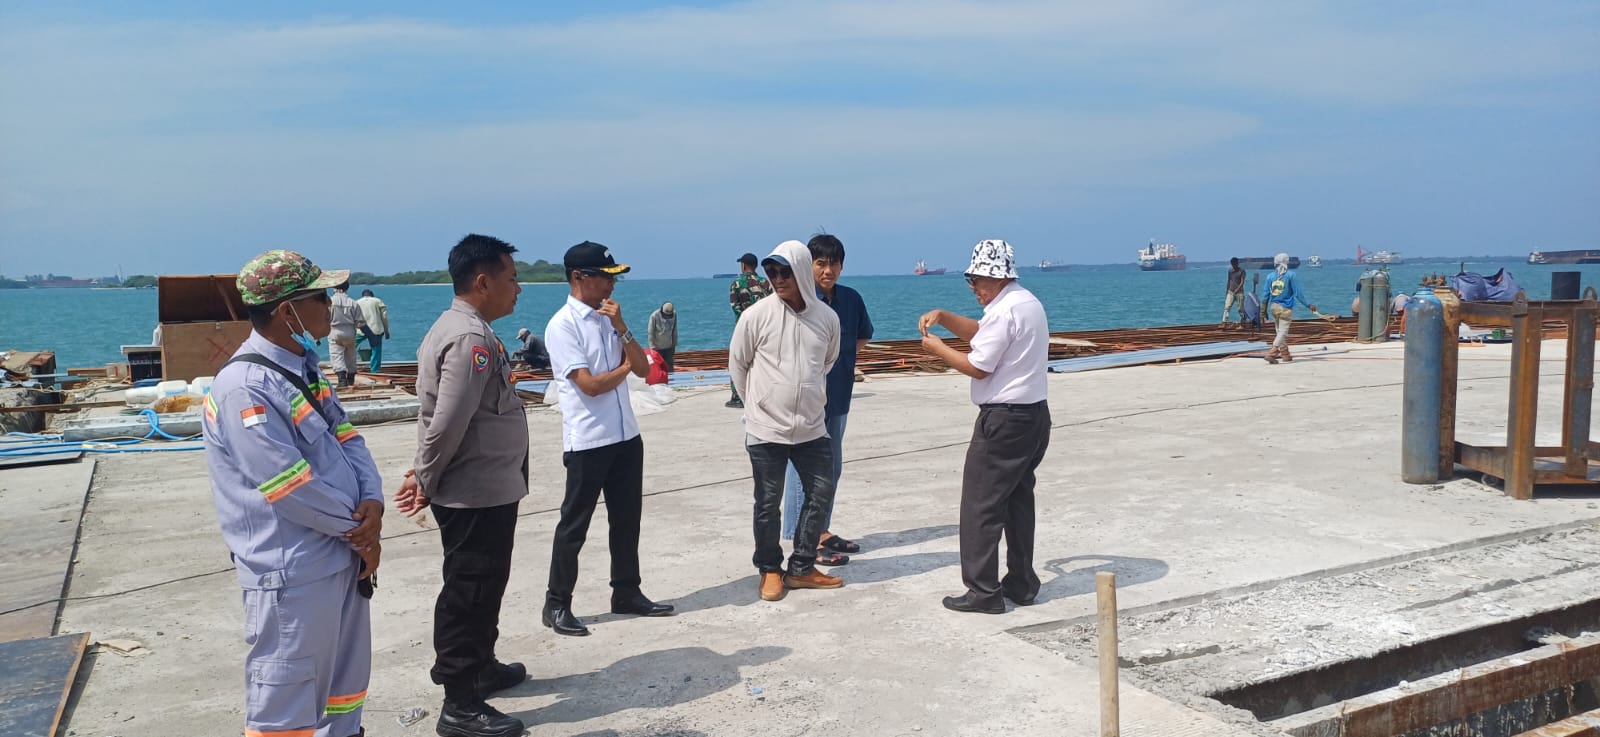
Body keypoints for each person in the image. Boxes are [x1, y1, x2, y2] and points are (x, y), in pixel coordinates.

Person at [203, 249, 383, 737]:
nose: (330, 305)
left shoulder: (303, 367)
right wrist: (361, 533)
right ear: (288, 311)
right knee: (287, 697)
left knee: (344, 687)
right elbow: (289, 486)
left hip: (338, 555)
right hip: (293, 570)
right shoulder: (245, 388)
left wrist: (373, 502)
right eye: (320, 297)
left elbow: (347, 437)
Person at [394, 234, 529, 737]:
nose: (518, 288)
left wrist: (423, 473)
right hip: (472, 492)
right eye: (512, 278)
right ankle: (460, 703)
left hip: (489, 487)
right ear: (483, 282)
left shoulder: (469, 330)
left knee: (487, 584)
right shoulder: (469, 339)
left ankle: (482, 667)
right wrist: (424, 478)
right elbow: (447, 421)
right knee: (468, 592)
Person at [542, 241, 673, 637]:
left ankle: (626, 591)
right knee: (575, 525)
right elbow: (590, 386)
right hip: (589, 439)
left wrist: (622, 327)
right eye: (604, 277)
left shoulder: (607, 319)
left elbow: (642, 370)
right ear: (579, 277)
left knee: (627, 519)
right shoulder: (563, 325)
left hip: (625, 434)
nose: (611, 285)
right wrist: (624, 367)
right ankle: (556, 603)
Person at [918, 239, 1050, 614]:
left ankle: (983, 591)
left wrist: (938, 349)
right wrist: (944, 316)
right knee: (1018, 502)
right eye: (971, 281)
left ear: (997, 277)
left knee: (980, 505)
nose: (974, 287)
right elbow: (982, 334)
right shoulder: (1024, 301)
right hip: (1033, 415)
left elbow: (978, 366)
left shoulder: (1004, 310)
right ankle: (1021, 583)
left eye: (977, 280)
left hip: (1004, 420)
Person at [729, 240, 843, 602]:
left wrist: (807, 394)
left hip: (812, 427)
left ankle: (802, 567)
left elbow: (827, 362)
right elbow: (738, 365)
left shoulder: (827, 319)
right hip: (766, 429)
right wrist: (759, 404)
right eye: (771, 271)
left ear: (801, 272)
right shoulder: (756, 316)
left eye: (784, 271)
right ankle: (769, 569)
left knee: (820, 493)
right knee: (767, 503)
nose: (777, 278)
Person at [780, 233, 873, 567]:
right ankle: (801, 539)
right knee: (802, 470)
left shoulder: (850, 299)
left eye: (834, 264)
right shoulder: (798, 302)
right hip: (804, 401)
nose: (827, 270)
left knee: (831, 468)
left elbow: (862, 336)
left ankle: (820, 530)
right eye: (820, 263)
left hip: (839, 397)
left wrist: (839, 362)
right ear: (808, 266)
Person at [726, 252, 771, 408]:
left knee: (738, 360)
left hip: (743, 328)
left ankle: (738, 397)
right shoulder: (765, 283)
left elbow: (735, 307)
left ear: (743, 265)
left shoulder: (736, 284)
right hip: (764, 327)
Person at [1261, 252, 1317, 364]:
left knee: (1279, 331)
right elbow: (1298, 293)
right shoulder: (1291, 275)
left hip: (1274, 307)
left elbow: (1265, 295)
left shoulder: (1270, 276)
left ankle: (1285, 354)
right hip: (1285, 308)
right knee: (1283, 332)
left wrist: (1263, 310)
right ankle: (1272, 351)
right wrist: (1308, 305)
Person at [328, 281, 366, 387]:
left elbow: (325, 317)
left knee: (336, 355)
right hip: (350, 330)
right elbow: (360, 322)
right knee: (350, 355)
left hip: (335, 330)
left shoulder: (330, 301)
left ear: (334, 288)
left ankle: (342, 380)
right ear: (347, 288)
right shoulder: (353, 302)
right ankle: (351, 378)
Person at [356, 288, 390, 373]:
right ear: (372, 295)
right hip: (376, 329)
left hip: (360, 329)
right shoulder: (378, 301)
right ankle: (374, 370)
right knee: (376, 350)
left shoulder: (357, 302)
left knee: (351, 346)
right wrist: (386, 331)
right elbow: (384, 317)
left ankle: (348, 365)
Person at [647, 302, 678, 376]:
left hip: (669, 346)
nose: (667, 317)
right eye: (666, 315)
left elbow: (674, 330)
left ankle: (671, 379)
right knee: (658, 366)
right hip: (657, 348)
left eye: (669, 316)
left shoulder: (674, 314)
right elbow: (650, 332)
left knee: (669, 365)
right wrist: (652, 347)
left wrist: (674, 344)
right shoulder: (654, 316)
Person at [1222, 257, 1246, 325]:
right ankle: (1224, 322)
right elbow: (1229, 281)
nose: (1234, 265)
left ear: (1237, 263)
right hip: (1231, 291)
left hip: (1239, 292)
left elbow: (1242, 282)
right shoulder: (1230, 271)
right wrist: (1227, 291)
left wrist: (1237, 289)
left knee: (1240, 309)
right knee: (1227, 307)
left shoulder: (1242, 271)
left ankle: (1243, 321)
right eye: (1232, 264)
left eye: (1235, 263)